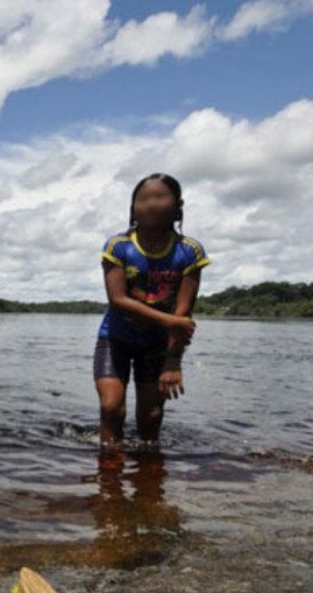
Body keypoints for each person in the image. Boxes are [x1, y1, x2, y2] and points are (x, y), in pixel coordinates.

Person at [93, 173, 210, 447]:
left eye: (160, 197)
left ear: (177, 205)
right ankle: (109, 474)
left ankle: (149, 476)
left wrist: (173, 361)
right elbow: (118, 300)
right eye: (142, 199)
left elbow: (183, 313)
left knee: (151, 415)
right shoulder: (118, 246)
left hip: (157, 343)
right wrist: (170, 320)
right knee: (112, 408)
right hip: (116, 337)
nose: (151, 204)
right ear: (133, 208)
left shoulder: (189, 251)